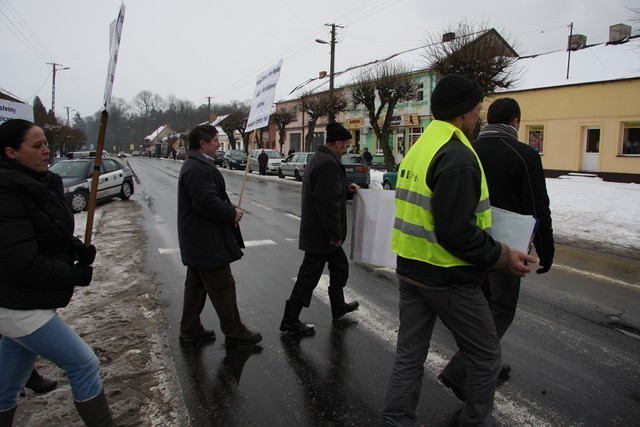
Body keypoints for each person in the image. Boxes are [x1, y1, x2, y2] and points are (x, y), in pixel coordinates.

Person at [382, 75, 537, 426]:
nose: (480, 114)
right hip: (448, 277)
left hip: (411, 269)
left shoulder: (420, 146)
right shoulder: (458, 156)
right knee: (485, 357)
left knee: (409, 354)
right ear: (465, 112)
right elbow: (457, 233)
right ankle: (474, 421)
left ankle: (396, 419)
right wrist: (502, 255)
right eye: (478, 107)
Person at [0, 119, 114, 426]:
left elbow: (50, 229)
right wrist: (73, 274)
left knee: (7, 385)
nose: (46, 150)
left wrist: (76, 248)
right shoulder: (7, 193)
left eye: (46, 143)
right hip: (16, 304)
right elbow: (22, 261)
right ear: (11, 152)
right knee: (83, 363)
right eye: (36, 146)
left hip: (29, 300)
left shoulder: (42, 182)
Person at [439, 98, 555, 392]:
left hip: (472, 242)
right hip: (508, 247)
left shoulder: (468, 150)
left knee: (481, 308)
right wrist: (546, 249)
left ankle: (488, 361)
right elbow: (537, 206)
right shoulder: (524, 155)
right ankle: (463, 368)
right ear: (515, 121)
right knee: (501, 307)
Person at [178, 124, 262, 346]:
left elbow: (209, 197)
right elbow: (205, 202)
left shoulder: (197, 164)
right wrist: (231, 213)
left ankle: (190, 328)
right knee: (223, 285)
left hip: (199, 239)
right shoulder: (197, 168)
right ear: (203, 144)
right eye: (215, 140)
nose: (218, 144)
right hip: (206, 240)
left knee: (196, 287)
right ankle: (235, 331)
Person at [279, 123, 360, 336]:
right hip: (322, 236)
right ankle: (290, 319)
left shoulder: (321, 159)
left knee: (339, 266)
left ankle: (338, 306)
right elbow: (326, 203)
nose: (347, 150)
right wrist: (334, 235)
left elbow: (325, 191)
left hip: (321, 233)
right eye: (346, 146)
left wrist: (345, 190)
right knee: (308, 277)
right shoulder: (327, 164)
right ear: (338, 143)